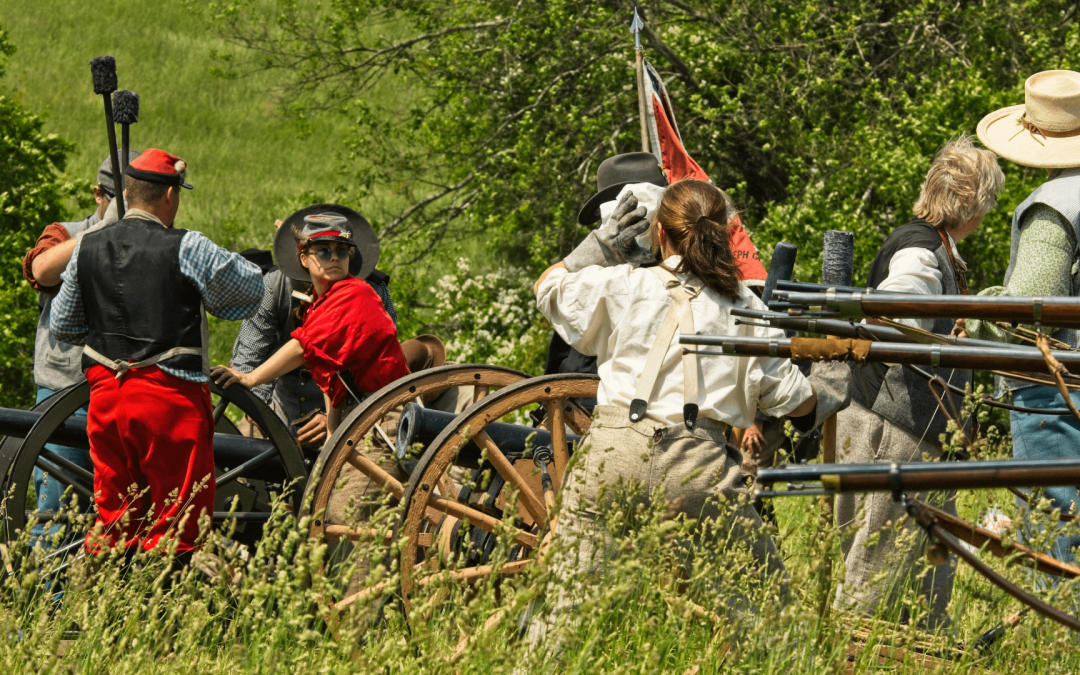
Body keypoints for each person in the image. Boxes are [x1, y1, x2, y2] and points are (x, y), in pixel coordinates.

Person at [529, 179, 825, 652]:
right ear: (723, 235)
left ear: (659, 234)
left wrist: (599, 247)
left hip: (612, 454)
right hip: (697, 463)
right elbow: (793, 397)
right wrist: (825, 394)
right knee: (770, 616)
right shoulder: (745, 306)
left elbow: (549, 288)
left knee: (561, 620)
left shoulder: (623, 284)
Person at [49, 148, 264, 554]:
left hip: (107, 398)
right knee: (180, 520)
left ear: (127, 195)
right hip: (169, 401)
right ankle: (168, 602)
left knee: (115, 515)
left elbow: (63, 325)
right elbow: (250, 291)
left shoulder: (87, 247)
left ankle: (116, 600)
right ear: (170, 196)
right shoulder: (188, 246)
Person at [833, 135, 1005, 626]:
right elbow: (899, 302)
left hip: (895, 422)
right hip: (895, 429)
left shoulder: (932, 245)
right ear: (973, 205)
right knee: (874, 577)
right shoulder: (922, 253)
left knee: (918, 579)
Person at [966, 70, 1080, 566]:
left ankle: (1059, 643)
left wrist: (972, 317)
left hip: (1053, 390)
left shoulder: (1056, 205)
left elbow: (1031, 307)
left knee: (1057, 545)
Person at [21, 151, 139, 540]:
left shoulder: (146, 243)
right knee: (56, 514)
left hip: (127, 395)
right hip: (65, 393)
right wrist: (100, 232)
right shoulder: (64, 232)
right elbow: (40, 269)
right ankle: (49, 601)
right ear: (96, 194)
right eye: (114, 199)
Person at [211, 209, 409, 435]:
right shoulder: (279, 287)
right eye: (323, 251)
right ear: (304, 258)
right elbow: (251, 354)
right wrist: (259, 410)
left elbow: (304, 346)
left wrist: (250, 379)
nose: (334, 257)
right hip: (286, 404)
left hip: (371, 410)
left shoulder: (359, 292)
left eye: (342, 251)